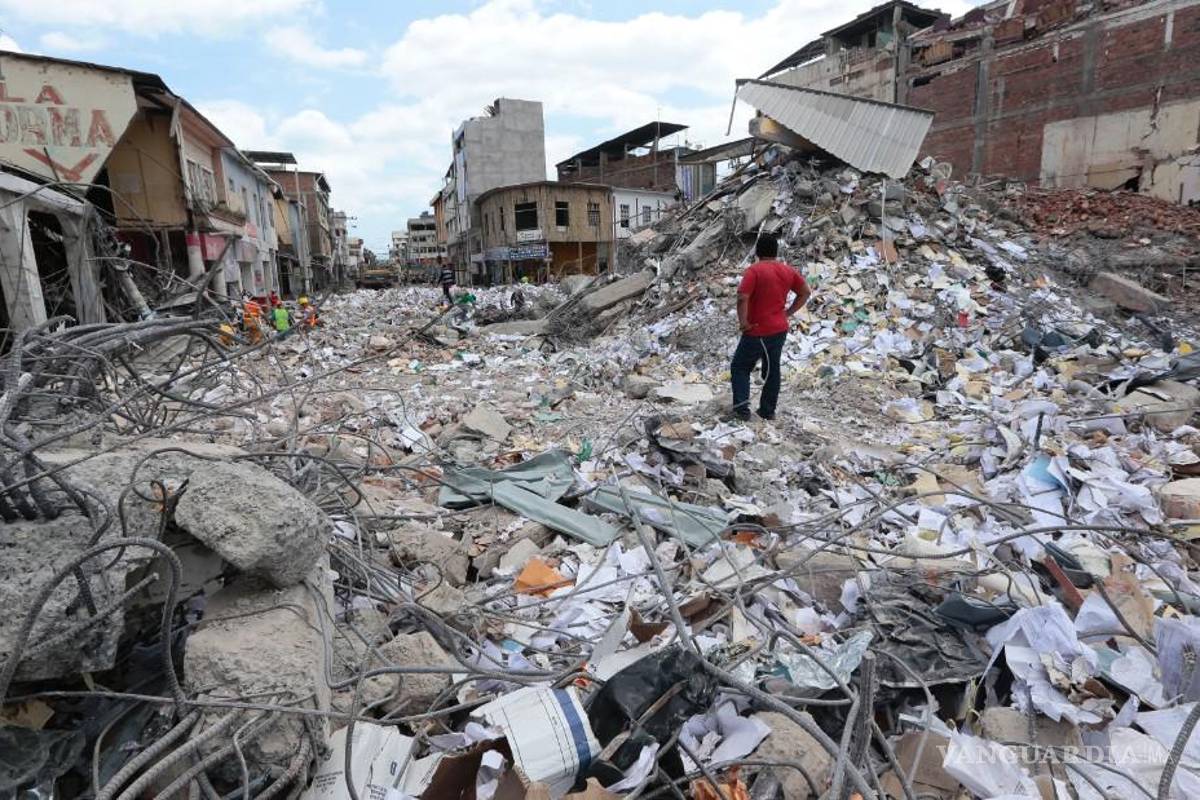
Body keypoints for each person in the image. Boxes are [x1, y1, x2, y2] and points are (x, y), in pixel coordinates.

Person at [730, 233, 810, 422]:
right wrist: (788, 313)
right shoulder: (787, 270)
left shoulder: (754, 271)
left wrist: (743, 322)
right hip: (779, 330)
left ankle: (741, 410)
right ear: (776, 251)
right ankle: (767, 410)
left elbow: (742, 297)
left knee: (740, 367)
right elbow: (805, 292)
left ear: (757, 252)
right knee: (772, 369)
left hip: (757, 330)